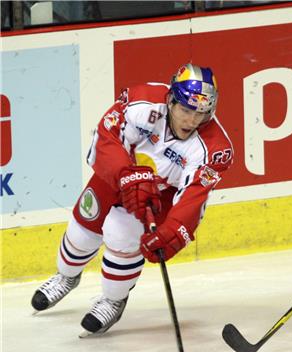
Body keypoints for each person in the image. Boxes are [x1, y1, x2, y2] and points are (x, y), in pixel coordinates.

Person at [31, 63, 234, 335]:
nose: (192, 121)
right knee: (82, 230)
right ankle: (66, 277)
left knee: (121, 235)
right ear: (171, 100)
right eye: (186, 110)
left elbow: (193, 197)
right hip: (118, 174)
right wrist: (125, 174)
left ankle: (114, 300)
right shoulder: (142, 102)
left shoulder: (215, 148)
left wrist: (172, 231)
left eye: (201, 113)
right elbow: (106, 137)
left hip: (162, 195)